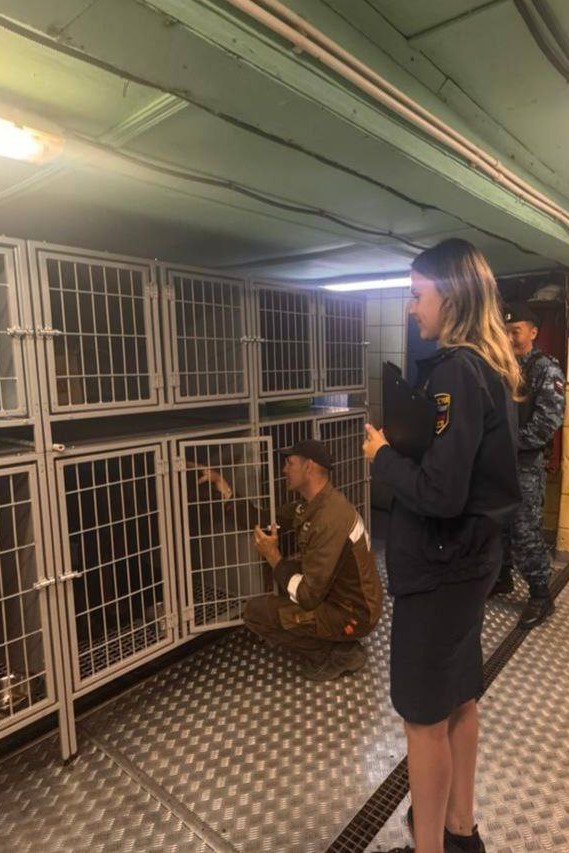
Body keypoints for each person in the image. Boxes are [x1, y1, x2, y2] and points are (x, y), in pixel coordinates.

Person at [363, 239, 521, 853]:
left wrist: (382, 457)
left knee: (423, 718)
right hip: (472, 562)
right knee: (460, 699)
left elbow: (442, 492)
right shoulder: (491, 366)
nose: (411, 307)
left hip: (440, 568)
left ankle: (429, 846)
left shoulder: (456, 370)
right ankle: (460, 831)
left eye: (417, 294)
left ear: (450, 297)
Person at [240, 439, 383, 681]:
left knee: (255, 613)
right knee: (288, 578)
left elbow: (307, 596)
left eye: (289, 463)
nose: (284, 470)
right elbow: (260, 518)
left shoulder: (330, 518)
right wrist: (223, 488)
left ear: (309, 467)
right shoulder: (311, 505)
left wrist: (273, 557)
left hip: (354, 614)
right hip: (344, 598)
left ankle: (334, 654)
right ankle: (337, 643)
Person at [491, 302, 565, 628]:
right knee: (498, 525)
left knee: (524, 530)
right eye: (505, 331)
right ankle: (502, 577)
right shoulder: (500, 368)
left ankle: (540, 595)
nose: (509, 338)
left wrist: (507, 443)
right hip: (499, 462)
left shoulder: (546, 370)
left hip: (525, 465)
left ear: (533, 333)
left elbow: (547, 423)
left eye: (515, 331)